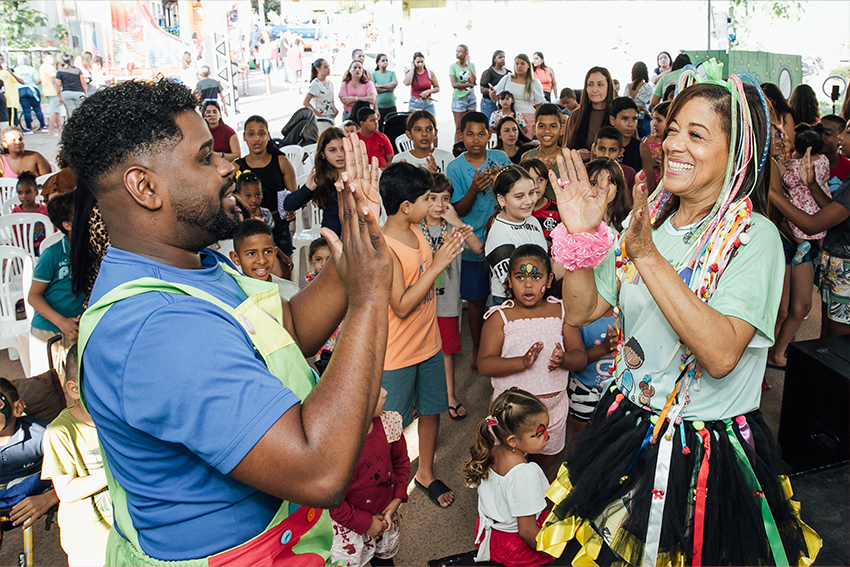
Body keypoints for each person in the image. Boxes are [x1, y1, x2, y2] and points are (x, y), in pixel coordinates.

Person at [61, 79, 394, 564]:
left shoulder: (191, 266)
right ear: (145, 186)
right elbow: (319, 471)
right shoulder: (158, 328)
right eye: (204, 157)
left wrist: (356, 232)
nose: (227, 165)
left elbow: (289, 332)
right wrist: (368, 299)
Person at [537, 65, 820, 566]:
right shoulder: (649, 225)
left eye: (696, 134)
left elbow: (719, 354)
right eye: (671, 130)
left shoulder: (755, 239)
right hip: (627, 423)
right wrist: (580, 237)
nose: (674, 144)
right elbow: (581, 310)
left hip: (702, 451)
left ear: (736, 153)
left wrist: (647, 256)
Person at [380, 162, 464, 509]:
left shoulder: (416, 230)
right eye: (426, 199)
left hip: (429, 345)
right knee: (390, 427)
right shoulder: (385, 248)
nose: (433, 205)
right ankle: (385, 482)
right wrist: (437, 266)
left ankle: (424, 472)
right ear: (405, 207)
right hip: (397, 354)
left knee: (431, 411)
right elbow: (399, 305)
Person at [478, 244, 586, 474]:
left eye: (536, 277)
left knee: (547, 463)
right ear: (508, 280)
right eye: (520, 277)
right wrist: (521, 363)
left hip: (553, 411)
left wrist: (564, 360)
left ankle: (537, 505)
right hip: (512, 415)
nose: (528, 284)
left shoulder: (562, 312)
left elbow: (580, 357)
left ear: (549, 280)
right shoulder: (500, 318)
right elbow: (484, 363)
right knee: (507, 464)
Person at [448, 112, 512, 372]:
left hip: (502, 238)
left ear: (489, 134)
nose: (476, 139)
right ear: (461, 135)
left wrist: (500, 181)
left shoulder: (501, 159)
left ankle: (506, 347)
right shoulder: (455, 167)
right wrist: (474, 189)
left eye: (481, 133)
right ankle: (477, 346)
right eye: (469, 134)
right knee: (476, 301)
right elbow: (458, 211)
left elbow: (511, 193)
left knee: (505, 296)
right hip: (471, 244)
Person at [463, 388, 555, 567]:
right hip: (516, 549)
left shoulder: (491, 449)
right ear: (512, 440)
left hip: (492, 538)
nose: (547, 436)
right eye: (538, 433)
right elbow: (527, 532)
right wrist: (555, 551)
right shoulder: (525, 474)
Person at [41, 345, 112, 567]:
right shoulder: (59, 432)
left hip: (126, 533)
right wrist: (114, 471)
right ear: (74, 389)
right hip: (90, 543)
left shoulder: (117, 421)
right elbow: (66, 491)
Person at [422, 173, 484, 421]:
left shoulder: (454, 226)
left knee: (447, 351)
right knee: (419, 349)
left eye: (445, 199)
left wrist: (456, 220)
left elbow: (478, 248)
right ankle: (419, 397)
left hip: (447, 302)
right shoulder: (415, 226)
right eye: (432, 199)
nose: (438, 205)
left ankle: (449, 395)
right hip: (419, 302)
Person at [767, 126, 829, 369]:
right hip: (782, 238)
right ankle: (762, 367)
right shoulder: (771, 167)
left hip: (798, 238)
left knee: (802, 305)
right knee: (779, 311)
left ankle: (777, 353)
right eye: (771, 135)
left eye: (779, 135)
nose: (778, 140)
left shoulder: (789, 165)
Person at [769, 158, 850, 338]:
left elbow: (813, 225)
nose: (842, 138)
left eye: (848, 132)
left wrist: (771, 192)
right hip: (838, 269)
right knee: (827, 337)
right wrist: (812, 185)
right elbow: (833, 211)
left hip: (847, 274)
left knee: (837, 344)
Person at [329, 388, 409, 567]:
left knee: (384, 561)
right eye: (374, 388)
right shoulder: (331, 444)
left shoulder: (389, 424)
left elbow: (401, 463)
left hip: (384, 515)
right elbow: (329, 500)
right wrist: (366, 523)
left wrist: (396, 500)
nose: (385, 392)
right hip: (349, 524)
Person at [27, 191, 83, 377]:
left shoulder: (92, 250)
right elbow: (33, 296)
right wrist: (61, 322)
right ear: (67, 225)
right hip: (49, 329)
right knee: (50, 388)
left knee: (77, 383)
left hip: (76, 329)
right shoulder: (53, 254)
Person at [235, 115, 297, 263]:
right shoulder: (236, 167)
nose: (256, 138)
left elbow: (293, 197)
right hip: (248, 227)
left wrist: (291, 210)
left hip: (277, 226)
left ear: (268, 136)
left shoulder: (281, 162)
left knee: (284, 268)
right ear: (244, 137)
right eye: (251, 134)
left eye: (261, 133)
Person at [483, 166, 549, 304]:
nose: (529, 201)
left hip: (537, 295)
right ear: (501, 200)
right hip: (509, 302)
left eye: (532, 193)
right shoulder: (499, 234)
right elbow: (513, 285)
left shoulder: (533, 221)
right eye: (519, 196)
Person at [0, 378, 60, 531]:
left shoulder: (43, 435)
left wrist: (50, 498)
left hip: (30, 495)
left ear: (18, 408)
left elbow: (77, 467)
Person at [284, 127, 347, 236]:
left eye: (343, 148)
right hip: (330, 238)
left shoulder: (358, 176)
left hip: (358, 237)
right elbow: (289, 205)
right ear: (322, 153)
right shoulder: (322, 179)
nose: (340, 154)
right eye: (332, 150)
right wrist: (307, 188)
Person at [229, 219, 300, 300]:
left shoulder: (292, 292)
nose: (262, 261)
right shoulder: (232, 296)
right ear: (236, 258)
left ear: (275, 252)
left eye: (267, 252)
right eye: (252, 254)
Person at [565, 67, 614, 162]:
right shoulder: (576, 115)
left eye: (600, 85)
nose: (595, 90)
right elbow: (566, 150)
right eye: (590, 85)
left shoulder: (617, 113)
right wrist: (576, 154)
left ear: (609, 87)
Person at [608, 96, 656, 191]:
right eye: (625, 119)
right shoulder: (602, 146)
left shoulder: (642, 149)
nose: (630, 124)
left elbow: (649, 184)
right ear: (612, 120)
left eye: (634, 119)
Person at [492, 54, 545, 139]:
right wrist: (493, 95)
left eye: (522, 63)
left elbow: (539, 104)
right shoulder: (507, 78)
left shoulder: (534, 83)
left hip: (528, 118)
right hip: (508, 116)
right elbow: (496, 97)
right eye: (517, 63)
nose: (519, 66)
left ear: (528, 65)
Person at [522, 104, 566, 198]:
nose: (547, 131)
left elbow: (571, 191)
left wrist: (551, 174)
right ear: (534, 129)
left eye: (553, 126)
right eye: (542, 126)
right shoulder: (527, 157)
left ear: (561, 129)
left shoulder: (567, 158)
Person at [522, 158, 561, 242]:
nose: (536, 186)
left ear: (547, 181)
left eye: (540, 180)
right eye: (531, 180)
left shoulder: (557, 210)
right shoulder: (517, 210)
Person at [449, 44, 478, 143]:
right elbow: (454, 84)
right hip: (459, 99)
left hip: (471, 98)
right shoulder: (453, 67)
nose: (457, 53)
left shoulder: (472, 65)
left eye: (460, 51)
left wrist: (468, 64)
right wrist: (470, 84)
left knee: (471, 125)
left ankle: (469, 146)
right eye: (456, 51)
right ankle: (457, 148)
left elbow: (474, 80)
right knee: (459, 127)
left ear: (466, 53)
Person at [14, 56, 47, 134]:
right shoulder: (32, 69)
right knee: (37, 109)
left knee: (26, 110)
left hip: (21, 90)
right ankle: (43, 126)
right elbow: (37, 80)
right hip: (32, 89)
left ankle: (28, 128)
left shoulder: (15, 70)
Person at [761, 82, 796, 153]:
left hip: (784, 156)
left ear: (775, 101)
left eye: (765, 100)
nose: (762, 104)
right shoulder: (760, 117)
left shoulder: (785, 116)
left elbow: (792, 143)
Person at [641, 100, 669, 181]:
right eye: (654, 119)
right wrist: (649, 162)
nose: (654, 124)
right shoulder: (646, 141)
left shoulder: (672, 144)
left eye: (659, 120)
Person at [404, 52, 439, 116]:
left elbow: (437, 88)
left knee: (431, 121)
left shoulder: (430, 73)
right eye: (418, 62)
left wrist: (429, 91)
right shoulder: (410, 73)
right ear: (413, 62)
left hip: (428, 102)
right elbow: (407, 83)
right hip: (415, 102)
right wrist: (412, 69)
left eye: (422, 62)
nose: (420, 64)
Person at [822, 115, 850, 192]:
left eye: (827, 133)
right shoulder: (807, 163)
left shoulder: (847, 169)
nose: (820, 136)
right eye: (817, 131)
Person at [55, 54, 87, 118]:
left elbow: (58, 84)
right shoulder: (77, 70)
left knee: (71, 111)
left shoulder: (60, 71)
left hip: (66, 92)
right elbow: (83, 83)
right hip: (78, 92)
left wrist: (59, 96)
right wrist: (85, 93)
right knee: (81, 111)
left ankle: (74, 126)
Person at [480, 50, 508, 119]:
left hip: (503, 103)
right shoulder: (488, 72)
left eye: (504, 57)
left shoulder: (508, 73)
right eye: (500, 57)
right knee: (489, 125)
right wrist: (492, 91)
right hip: (489, 103)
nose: (502, 59)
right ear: (494, 59)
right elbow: (482, 89)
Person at [373, 53, 398, 131]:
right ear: (378, 63)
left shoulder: (392, 73)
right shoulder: (373, 74)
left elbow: (394, 84)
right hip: (379, 107)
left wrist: (379, 86)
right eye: (383, 60)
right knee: (380, 128)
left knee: (392, 128)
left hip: (391, 106)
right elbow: (374, 89)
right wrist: (388, 87)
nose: (385, 62)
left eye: (386, 60)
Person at [40, 53, 61, 136]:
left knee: (57, 111)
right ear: (44, 59)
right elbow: (53, 81)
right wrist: (58, 92)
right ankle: (51, 131)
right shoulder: (50, 68)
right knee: (54, 111)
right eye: (49, 58)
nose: (51, 59)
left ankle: (60, 130)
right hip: (52, 91)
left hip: (46, 90)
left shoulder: (42, 67)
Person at [0, 55, 22, 127]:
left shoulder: (9, 72)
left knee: (11, 123)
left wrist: (11, 72)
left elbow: (21, 81)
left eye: (3, 60)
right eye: (1, 60)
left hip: (9, 101)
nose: (2, 61)